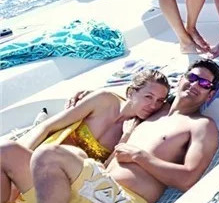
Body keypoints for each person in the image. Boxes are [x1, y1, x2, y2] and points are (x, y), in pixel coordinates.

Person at [30, 59, 219, 203]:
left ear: (210, 95)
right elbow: (135, 93)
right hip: (95, 185)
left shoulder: (201, 125)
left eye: (204, 84)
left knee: (49, 155)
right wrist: (88, 94)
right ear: (181, 80)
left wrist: (141, 157)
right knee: (20, 154)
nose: (195, 85)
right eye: (192, 77)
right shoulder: (153, 110)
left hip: (122, 197)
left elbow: (188, 179)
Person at [0, 70, 169, 203]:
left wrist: (126, 136)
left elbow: (106, 172)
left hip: (71, 182)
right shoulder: (104, 100)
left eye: (159, 101)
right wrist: (24, 155)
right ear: (131, 92)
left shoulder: (137, 129)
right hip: (42, 165)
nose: (153, 105)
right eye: (148, 97)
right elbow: (48, 127)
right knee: (5, 150)